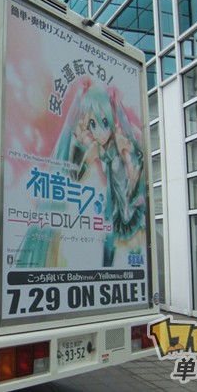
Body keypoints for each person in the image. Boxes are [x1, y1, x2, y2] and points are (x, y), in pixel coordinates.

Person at [71, 86, 145, 266]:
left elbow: (137, 164)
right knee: (109, 248)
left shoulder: (120, 142)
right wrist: (79, 145)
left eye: (104, 122)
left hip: (129, 207)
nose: (98, 131)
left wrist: (134, 180)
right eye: (92, 124)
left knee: (135, 253)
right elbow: (75, 175)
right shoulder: (96, 148)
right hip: (112, 210)